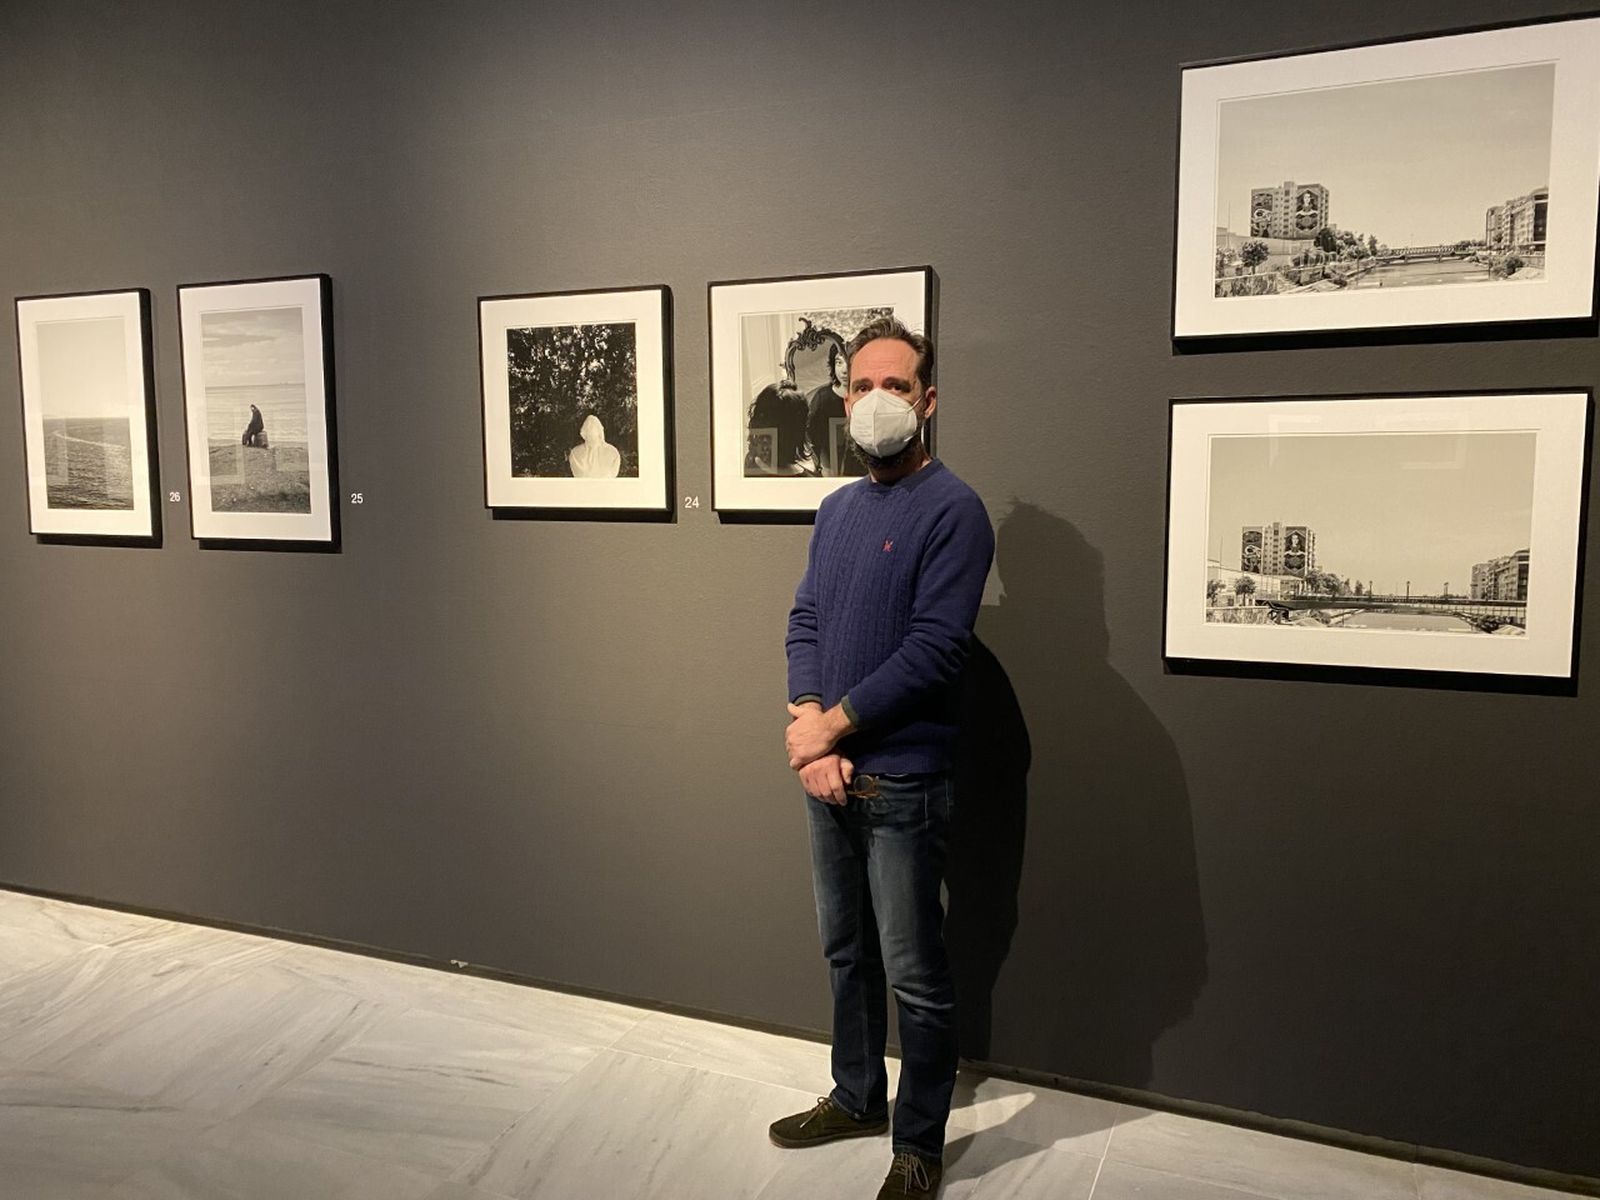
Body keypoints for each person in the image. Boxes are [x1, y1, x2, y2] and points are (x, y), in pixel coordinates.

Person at [770, 316, 994, 1199]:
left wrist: (833, 729)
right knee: (844, 952)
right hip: (829, 774)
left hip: (903, 778)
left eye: (895, 387)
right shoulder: (837, 510)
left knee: (916, 974)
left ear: (928, 401)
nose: (875, 402)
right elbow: (808, 622)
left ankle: (919, 1144)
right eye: (861, 386)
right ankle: (856, 1095)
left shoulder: (956, 511)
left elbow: (938, 648)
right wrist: (808, 723)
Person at [804, 341, 862, 477]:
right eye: (838, 362)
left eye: (849, 362)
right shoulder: (822, 398)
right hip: (830, 468)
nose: (844, 370)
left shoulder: (865, 396)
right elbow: (812, 439)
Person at [568, 413, 622, 478]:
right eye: (587, 429)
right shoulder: (575, 453)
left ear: (599, 432)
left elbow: (610, 474)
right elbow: (580, 474)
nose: (589, 432)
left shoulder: (612, 453)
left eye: (592, 428)